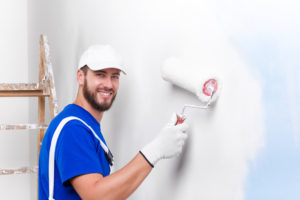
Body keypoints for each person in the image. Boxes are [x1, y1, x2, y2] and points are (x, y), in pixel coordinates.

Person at [38, 44, 189, 200]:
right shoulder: (72, 129)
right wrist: (156, 150)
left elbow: (106, 190)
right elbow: (96, 196)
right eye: (100, 75)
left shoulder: (86, 125)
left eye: (114, 76)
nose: (109, 84)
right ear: (80, 77)